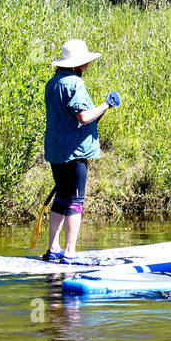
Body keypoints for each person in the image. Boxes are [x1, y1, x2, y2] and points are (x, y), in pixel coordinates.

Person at [43, 38, 120, 263]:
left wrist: (99, 109)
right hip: (75, 152)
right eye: (84, 63)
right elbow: (84, 117)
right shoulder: (75, 84)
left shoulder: (52, 83)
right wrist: (107, 104)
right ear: (76, 64)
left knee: (61, 197)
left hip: (56, 150)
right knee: (76, 199)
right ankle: (69, 252)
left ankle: (53, 249)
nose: (86, 66)